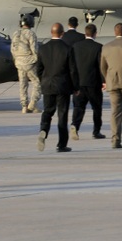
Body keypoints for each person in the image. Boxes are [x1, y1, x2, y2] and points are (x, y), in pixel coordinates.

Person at [35, 23, 77, 153]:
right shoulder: (67, 49)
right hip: (63, 85)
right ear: (62, 33)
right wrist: (76, 86)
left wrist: (44, 80)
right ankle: (61, 144)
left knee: (47, 111)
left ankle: (43, 130)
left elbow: (39, 69)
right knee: (62, 114)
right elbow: (72, 71)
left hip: (48, 84)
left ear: (51, 32)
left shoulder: (43, 49)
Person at [70, 23, 105, 139]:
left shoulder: (75, 46)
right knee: (96, 108)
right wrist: (103, 80)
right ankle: (96, 131)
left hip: (79, 82)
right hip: (93, 83)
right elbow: (101, 66)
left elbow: (72, 65)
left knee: (79, 107)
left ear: (85, 33)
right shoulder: (98, 47)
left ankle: (75, 125)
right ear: (95, 34)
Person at [11, 16, 41, 113]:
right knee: (37, 82)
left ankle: (24, 106)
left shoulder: (16, 33)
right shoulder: (31, 34)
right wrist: (36, 59)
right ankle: (32, 104)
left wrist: (16, 59)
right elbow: (34, 48)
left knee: (23, 84)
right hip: (29, 61)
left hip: (19, 62)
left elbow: (13, 49)